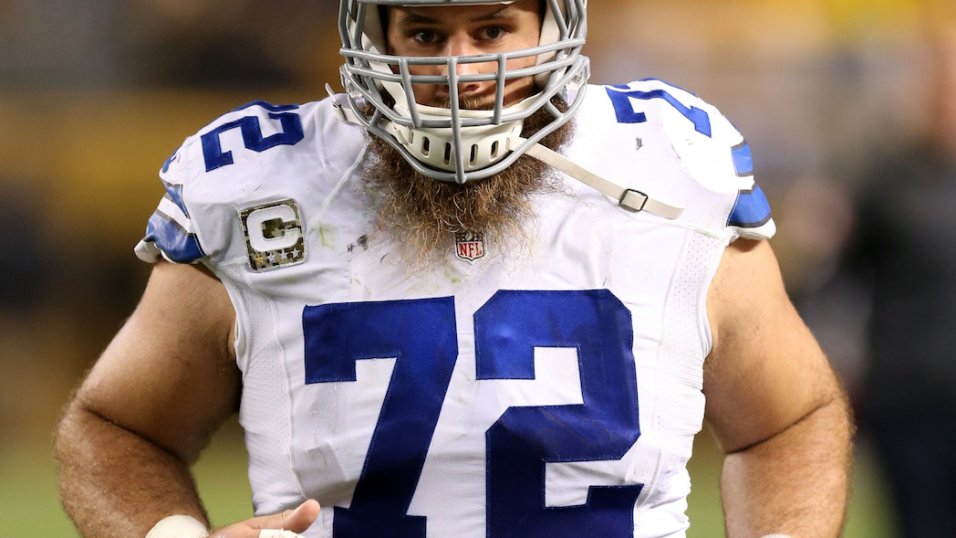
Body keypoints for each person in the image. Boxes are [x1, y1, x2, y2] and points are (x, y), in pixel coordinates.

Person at [54, 1, 853, 536]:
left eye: (493, 28)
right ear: (374, 34)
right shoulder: (264, 189)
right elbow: (115, 428)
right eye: (427, 35)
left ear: (553, 25)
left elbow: (788, 420)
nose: (463, 69)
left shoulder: (668, 164)